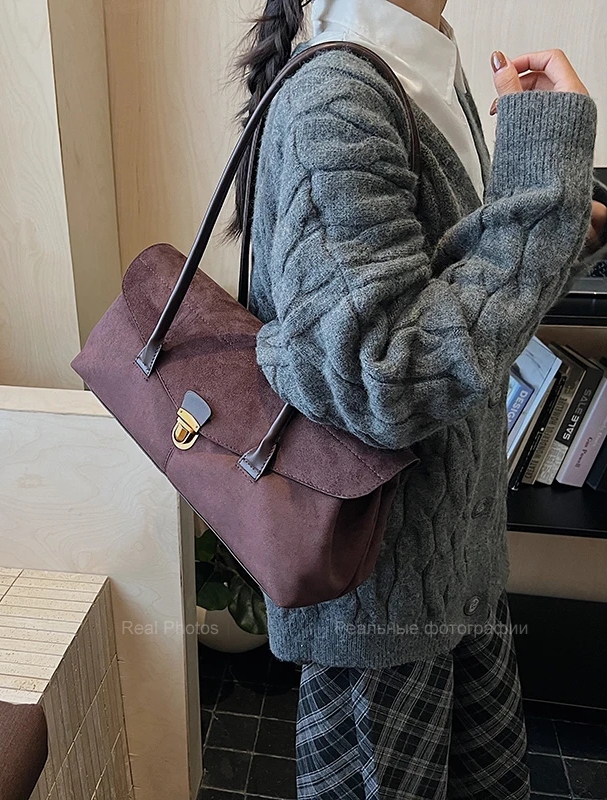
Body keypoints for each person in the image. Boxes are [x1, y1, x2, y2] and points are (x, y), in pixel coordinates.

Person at [225, 0, 607, 797]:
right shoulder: (337, 97)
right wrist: (542, 194)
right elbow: (384, 378)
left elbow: (461, 307)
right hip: (379, 607)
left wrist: (562, 225)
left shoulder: (422, 67)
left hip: (457, 562)